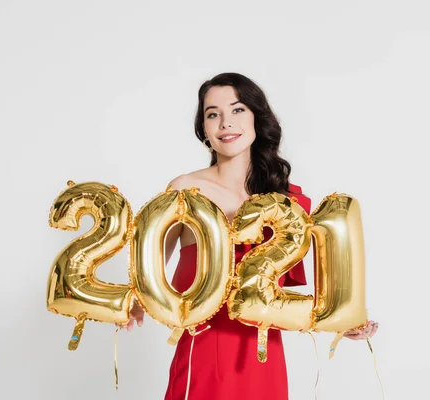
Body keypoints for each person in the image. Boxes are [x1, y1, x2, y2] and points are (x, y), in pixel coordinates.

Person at [124, 73, 379, 399]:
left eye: (238, 110)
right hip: (204, 347)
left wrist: (342, 320)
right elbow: (147, 271)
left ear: (258, 118)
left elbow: (297, 295)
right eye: (212, 114)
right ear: (204, 129)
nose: (225, 123)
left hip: (264, 351)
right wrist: (134, 303)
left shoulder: (287, 200)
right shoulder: (185, 190)